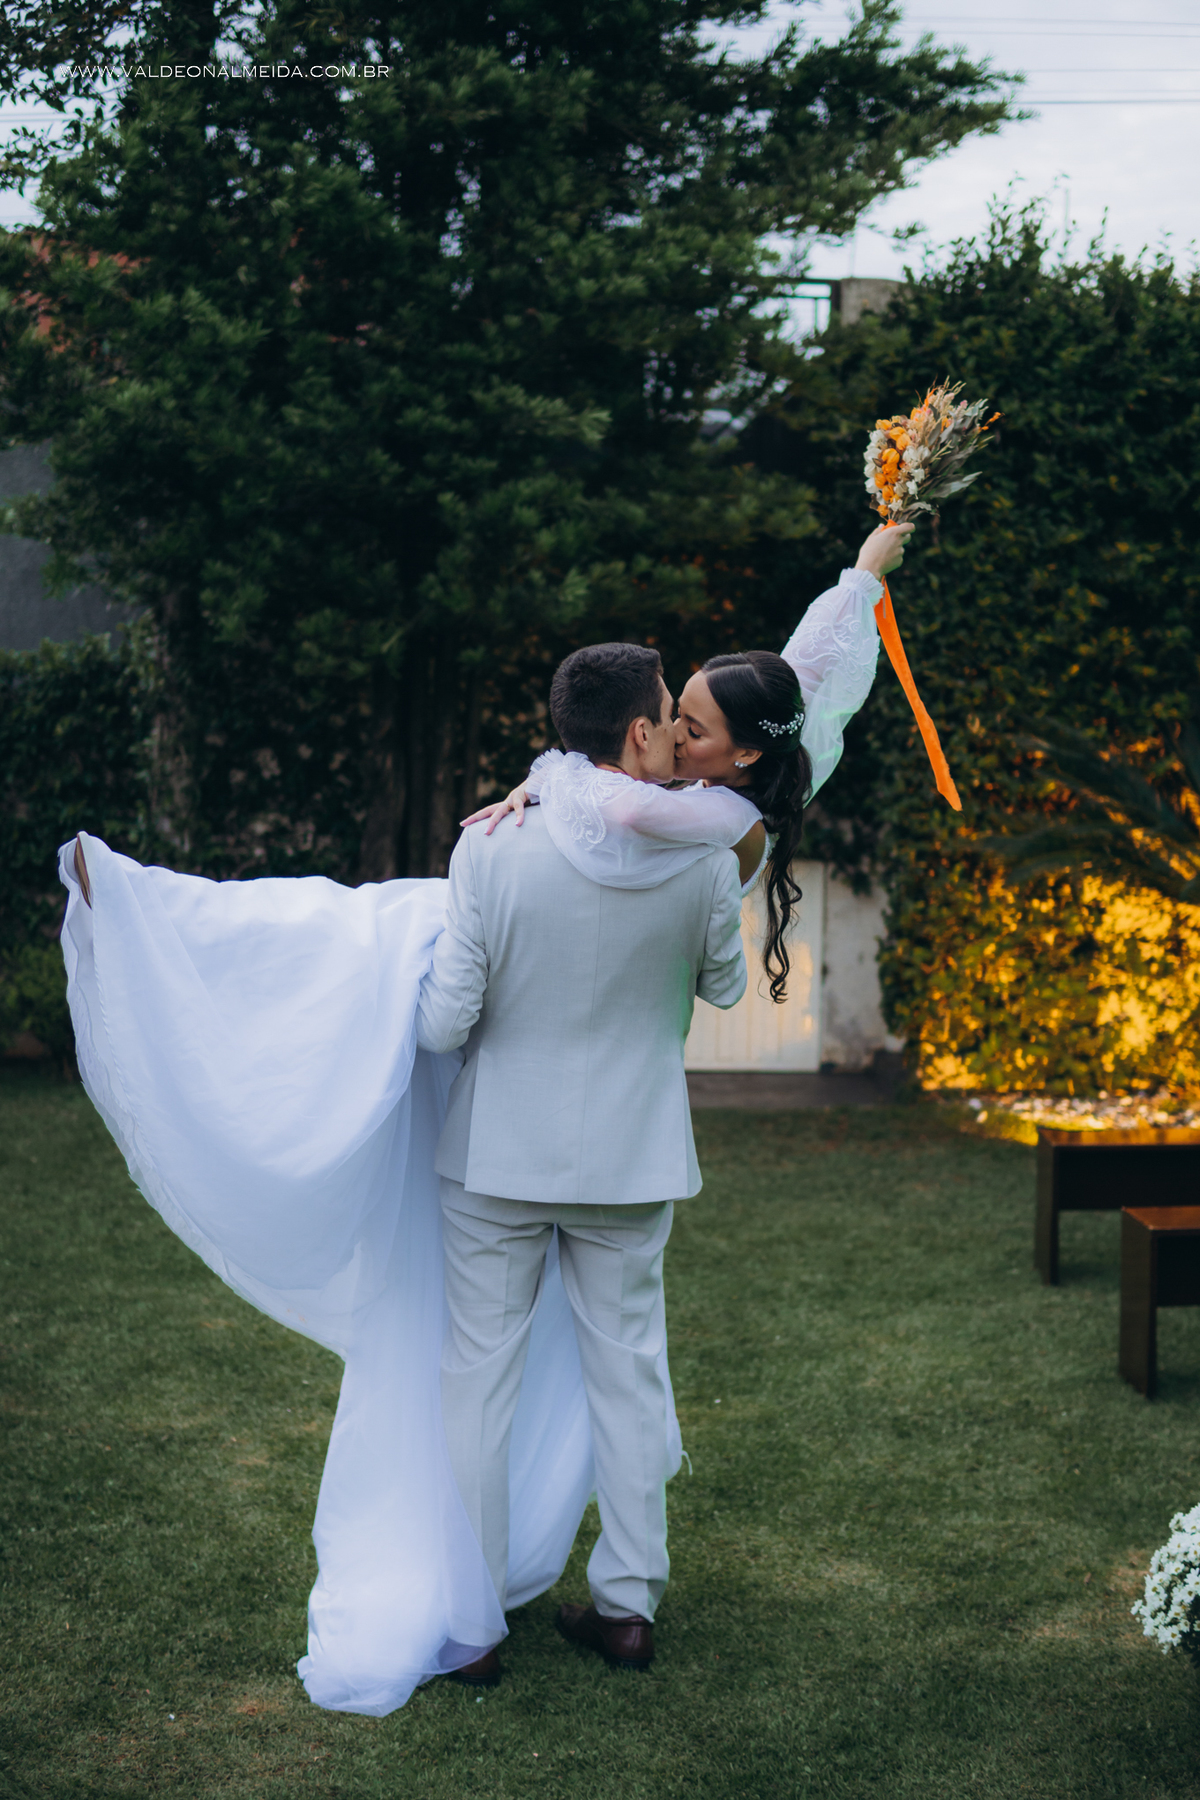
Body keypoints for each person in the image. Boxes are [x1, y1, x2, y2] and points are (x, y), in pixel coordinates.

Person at [59, 518, 910, 1713]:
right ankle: (626, 1606)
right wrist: (866, 576)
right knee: (630, 1377)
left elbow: (447, 1023)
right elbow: (722, 988)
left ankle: (468, 1627)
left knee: (476, 1386)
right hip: (631, 1162)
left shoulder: (496, 847)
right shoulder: (710, 857)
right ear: (633, 731)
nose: (677, 726)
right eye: (667, 709)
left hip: (497, 1163)